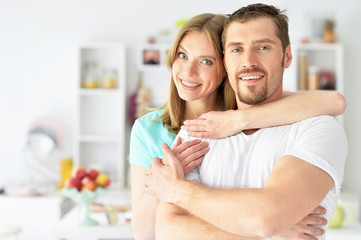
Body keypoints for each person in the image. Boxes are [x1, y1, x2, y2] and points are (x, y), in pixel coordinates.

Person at [131, 12, 346, 240]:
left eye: (206, 61)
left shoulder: (234, 118)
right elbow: (159, 229)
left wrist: (238, 120)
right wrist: (162, 184)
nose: (189, 71)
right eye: (182, 55)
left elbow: (334, 102)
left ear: (222, 66)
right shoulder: (170, 131)